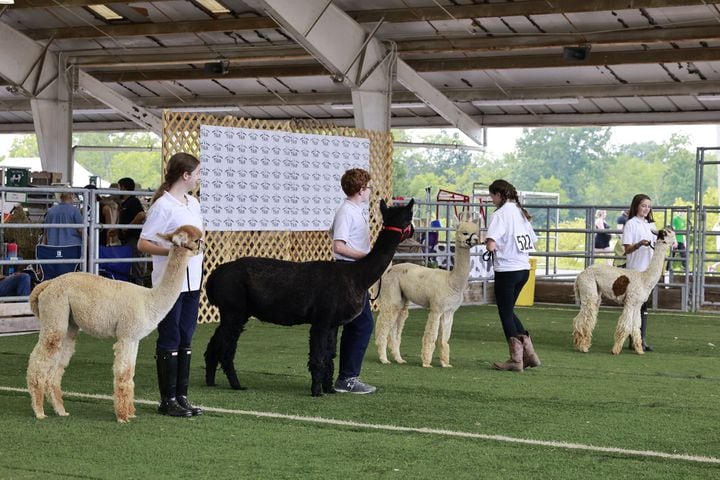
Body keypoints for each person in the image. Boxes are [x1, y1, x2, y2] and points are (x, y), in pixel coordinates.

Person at [138, 153, 204, 417]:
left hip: (192, 279)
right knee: (171, 335)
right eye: (197, 173)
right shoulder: (162, 207)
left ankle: (182, 395)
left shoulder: (193, 203)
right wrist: (172, 252)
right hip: (169, 282)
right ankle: (167, 399)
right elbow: (143, 243)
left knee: (186, 335)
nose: (199, 177)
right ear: (185, 176)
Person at [484, 179, 541, 372]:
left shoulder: (500, 214)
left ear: (499, 195)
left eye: (492, 196)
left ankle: (516, 359)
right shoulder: (520, 213)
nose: (491, 200)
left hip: (507, 270)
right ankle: (530, 353)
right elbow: (533, 241)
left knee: (505, 312)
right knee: (509, 310)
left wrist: (488, 244)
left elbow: (491, 244)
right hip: (523, 269)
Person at [329, 168, 376, 394]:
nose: (369, 191)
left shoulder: (355, 210)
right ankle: (347, 377)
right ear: (360, 189)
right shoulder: (347, 212)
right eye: (368, 187)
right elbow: (338, 245)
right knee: (362, 323)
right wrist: (367, 257)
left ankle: (347, 376)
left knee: (358, 324)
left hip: (355, 272)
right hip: (348, 271)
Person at [622, 194, 657, 352]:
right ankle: (634, 338)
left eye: (648, 206)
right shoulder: (631, 224)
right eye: (643, 206)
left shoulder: (651, 225)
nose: (646, 209)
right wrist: (638, 245)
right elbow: (627, 249)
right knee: (634, 306)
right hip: (636, 270)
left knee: (643, 306)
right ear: (636, 206)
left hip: (649, 271)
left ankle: (640, 338)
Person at [118, 177, 147, 284]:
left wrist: (128, 226)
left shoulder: (133, 201)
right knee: (131, 264)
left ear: (124, 188)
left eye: (119, 187)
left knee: (136, 266)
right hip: (128, 239)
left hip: (134, 238)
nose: (118, 190)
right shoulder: (126, 203)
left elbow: (141, 214)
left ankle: (139, 287)